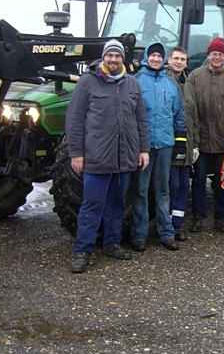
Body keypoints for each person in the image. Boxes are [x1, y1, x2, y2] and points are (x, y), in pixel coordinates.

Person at [66, 39, 150, 273]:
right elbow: (74, 120)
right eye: (109, 56)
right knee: (92, 205)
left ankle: (112, 244)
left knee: (117, 204)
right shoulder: (88, 83)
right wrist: (76, 154)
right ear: (103, 57)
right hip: (96, 158)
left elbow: (141, 120)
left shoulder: (132, 84)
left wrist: (143, 149)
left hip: (124, 159)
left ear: (123, 58)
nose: (113, 60)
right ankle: (82, 250)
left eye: (117, 56)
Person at [184, 37, 224, 233]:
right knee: (198, 181)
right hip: (201, 140)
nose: (217, 57)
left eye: (220, 54)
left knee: (222, 182)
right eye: (214, 53)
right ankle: (198, 217)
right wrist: (193, 140)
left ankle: (220, 218)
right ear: (208, 55)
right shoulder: (195, 77)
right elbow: (189, 108)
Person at [131, 42, 185, 252]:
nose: (155, 59)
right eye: (152, 55)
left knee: (163, 190)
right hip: (143, 147)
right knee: (141, 191)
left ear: (164, 60)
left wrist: (180, 142)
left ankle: (166, 233)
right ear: (147, 57)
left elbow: (179, 115)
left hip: (165, 144)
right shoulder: (136, 82)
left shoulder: (171, 85)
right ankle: (139, 235)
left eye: (158, 56)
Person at [166, 46, 197, 241]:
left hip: (187, 143)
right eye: (176, 58)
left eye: (182, 59)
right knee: (171, 185)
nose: (179, 62)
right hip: (170, 143)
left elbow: (194, 116)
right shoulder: (164, 81)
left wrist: (196, 145)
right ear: (169, 60)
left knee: (184, 186)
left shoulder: (188, 83)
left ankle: (177, 226)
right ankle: (167, 226)